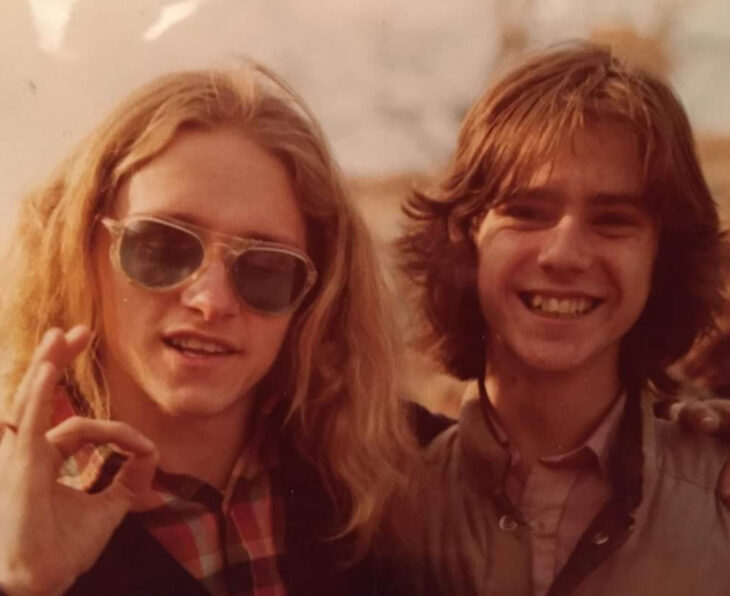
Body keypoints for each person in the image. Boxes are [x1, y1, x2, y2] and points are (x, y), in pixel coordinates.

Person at [0, 65, 416, 595]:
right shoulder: (8, 505)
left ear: (316, 295)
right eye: (162, 246)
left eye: (265, 268)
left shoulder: (392, 474)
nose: (210, 301)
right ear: (81, 250)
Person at [388, 42, 730, 595]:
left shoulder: (717, 499)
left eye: (613, 220)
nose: (564, 254)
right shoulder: (377, 506)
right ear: (466, 237)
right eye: (525, 212)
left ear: (662, 258)